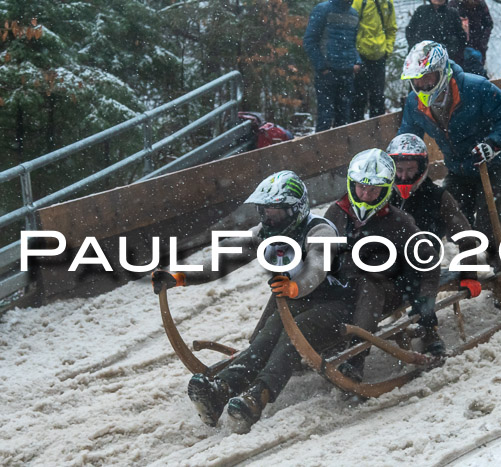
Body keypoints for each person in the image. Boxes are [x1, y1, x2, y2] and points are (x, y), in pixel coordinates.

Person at [152, 171, 350, 432]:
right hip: (293, 302)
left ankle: (258, 396)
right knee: (265, 340)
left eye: (276, 212)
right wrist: (179, 276)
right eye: (265, 211)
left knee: (291, 339)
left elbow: (317, 268)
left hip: (335, 306)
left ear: (295, 210)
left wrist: (295, 286)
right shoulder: (265, 234)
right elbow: (225, 257)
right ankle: (221, 389)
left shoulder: (320, 230)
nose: (269, 218)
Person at [398, 41, 501, 269]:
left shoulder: (476, 88)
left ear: (442, 72)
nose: (423, 85)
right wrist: (399, 161)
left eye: (429, 78)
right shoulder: (414, 103)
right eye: (417, 80)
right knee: (455, 224)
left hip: (492, 165)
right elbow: (408, 135)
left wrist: (492, 144)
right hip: (457, 168)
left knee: (488, 227)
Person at [324, 149, 443, 381]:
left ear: (385, 190)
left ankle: (355, 359)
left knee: (369, 284)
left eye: (373, 189)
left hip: (384, 289)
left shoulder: (398, 221)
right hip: (344, 285)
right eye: (361, 187)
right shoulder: (336, 212)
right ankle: (260, 346)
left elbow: (429, 261)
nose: (366, 194)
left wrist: (425, 301)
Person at [387, 133, 481, 296]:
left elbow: (466, 237)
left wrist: (469, 275)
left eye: (410, 170)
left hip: (423, 268)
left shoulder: (438, 197)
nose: (403, 176)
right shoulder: (384, 195)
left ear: (421, 168)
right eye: (399, 170)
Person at [303, 0, 362, 132]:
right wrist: (322, 67)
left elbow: (352, 43)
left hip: (347, 74)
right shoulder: (323, 9)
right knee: (325, 119)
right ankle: (320, 152)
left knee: (344, 121)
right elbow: (310, 41)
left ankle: (340, 152)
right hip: (328, 75)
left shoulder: (353, 13)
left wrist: (357, 61)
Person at [350, 0, 398, 122]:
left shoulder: (387, 3)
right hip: (361, 56)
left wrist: (387, 50)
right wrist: (354, 54)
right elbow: (351, 28)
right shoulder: (360, 2)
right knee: (358, 98)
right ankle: (356, 131)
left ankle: (378, 131)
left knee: (377, 97)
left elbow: (391, 28)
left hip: (380, 56)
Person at [405, 0, 468, 65]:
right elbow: (410, 32)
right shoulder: (421, 11)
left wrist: (451, 52)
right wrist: (416, 49)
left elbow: (461, 37)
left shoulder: (452, 13)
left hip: (446, 58)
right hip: (422, 57)